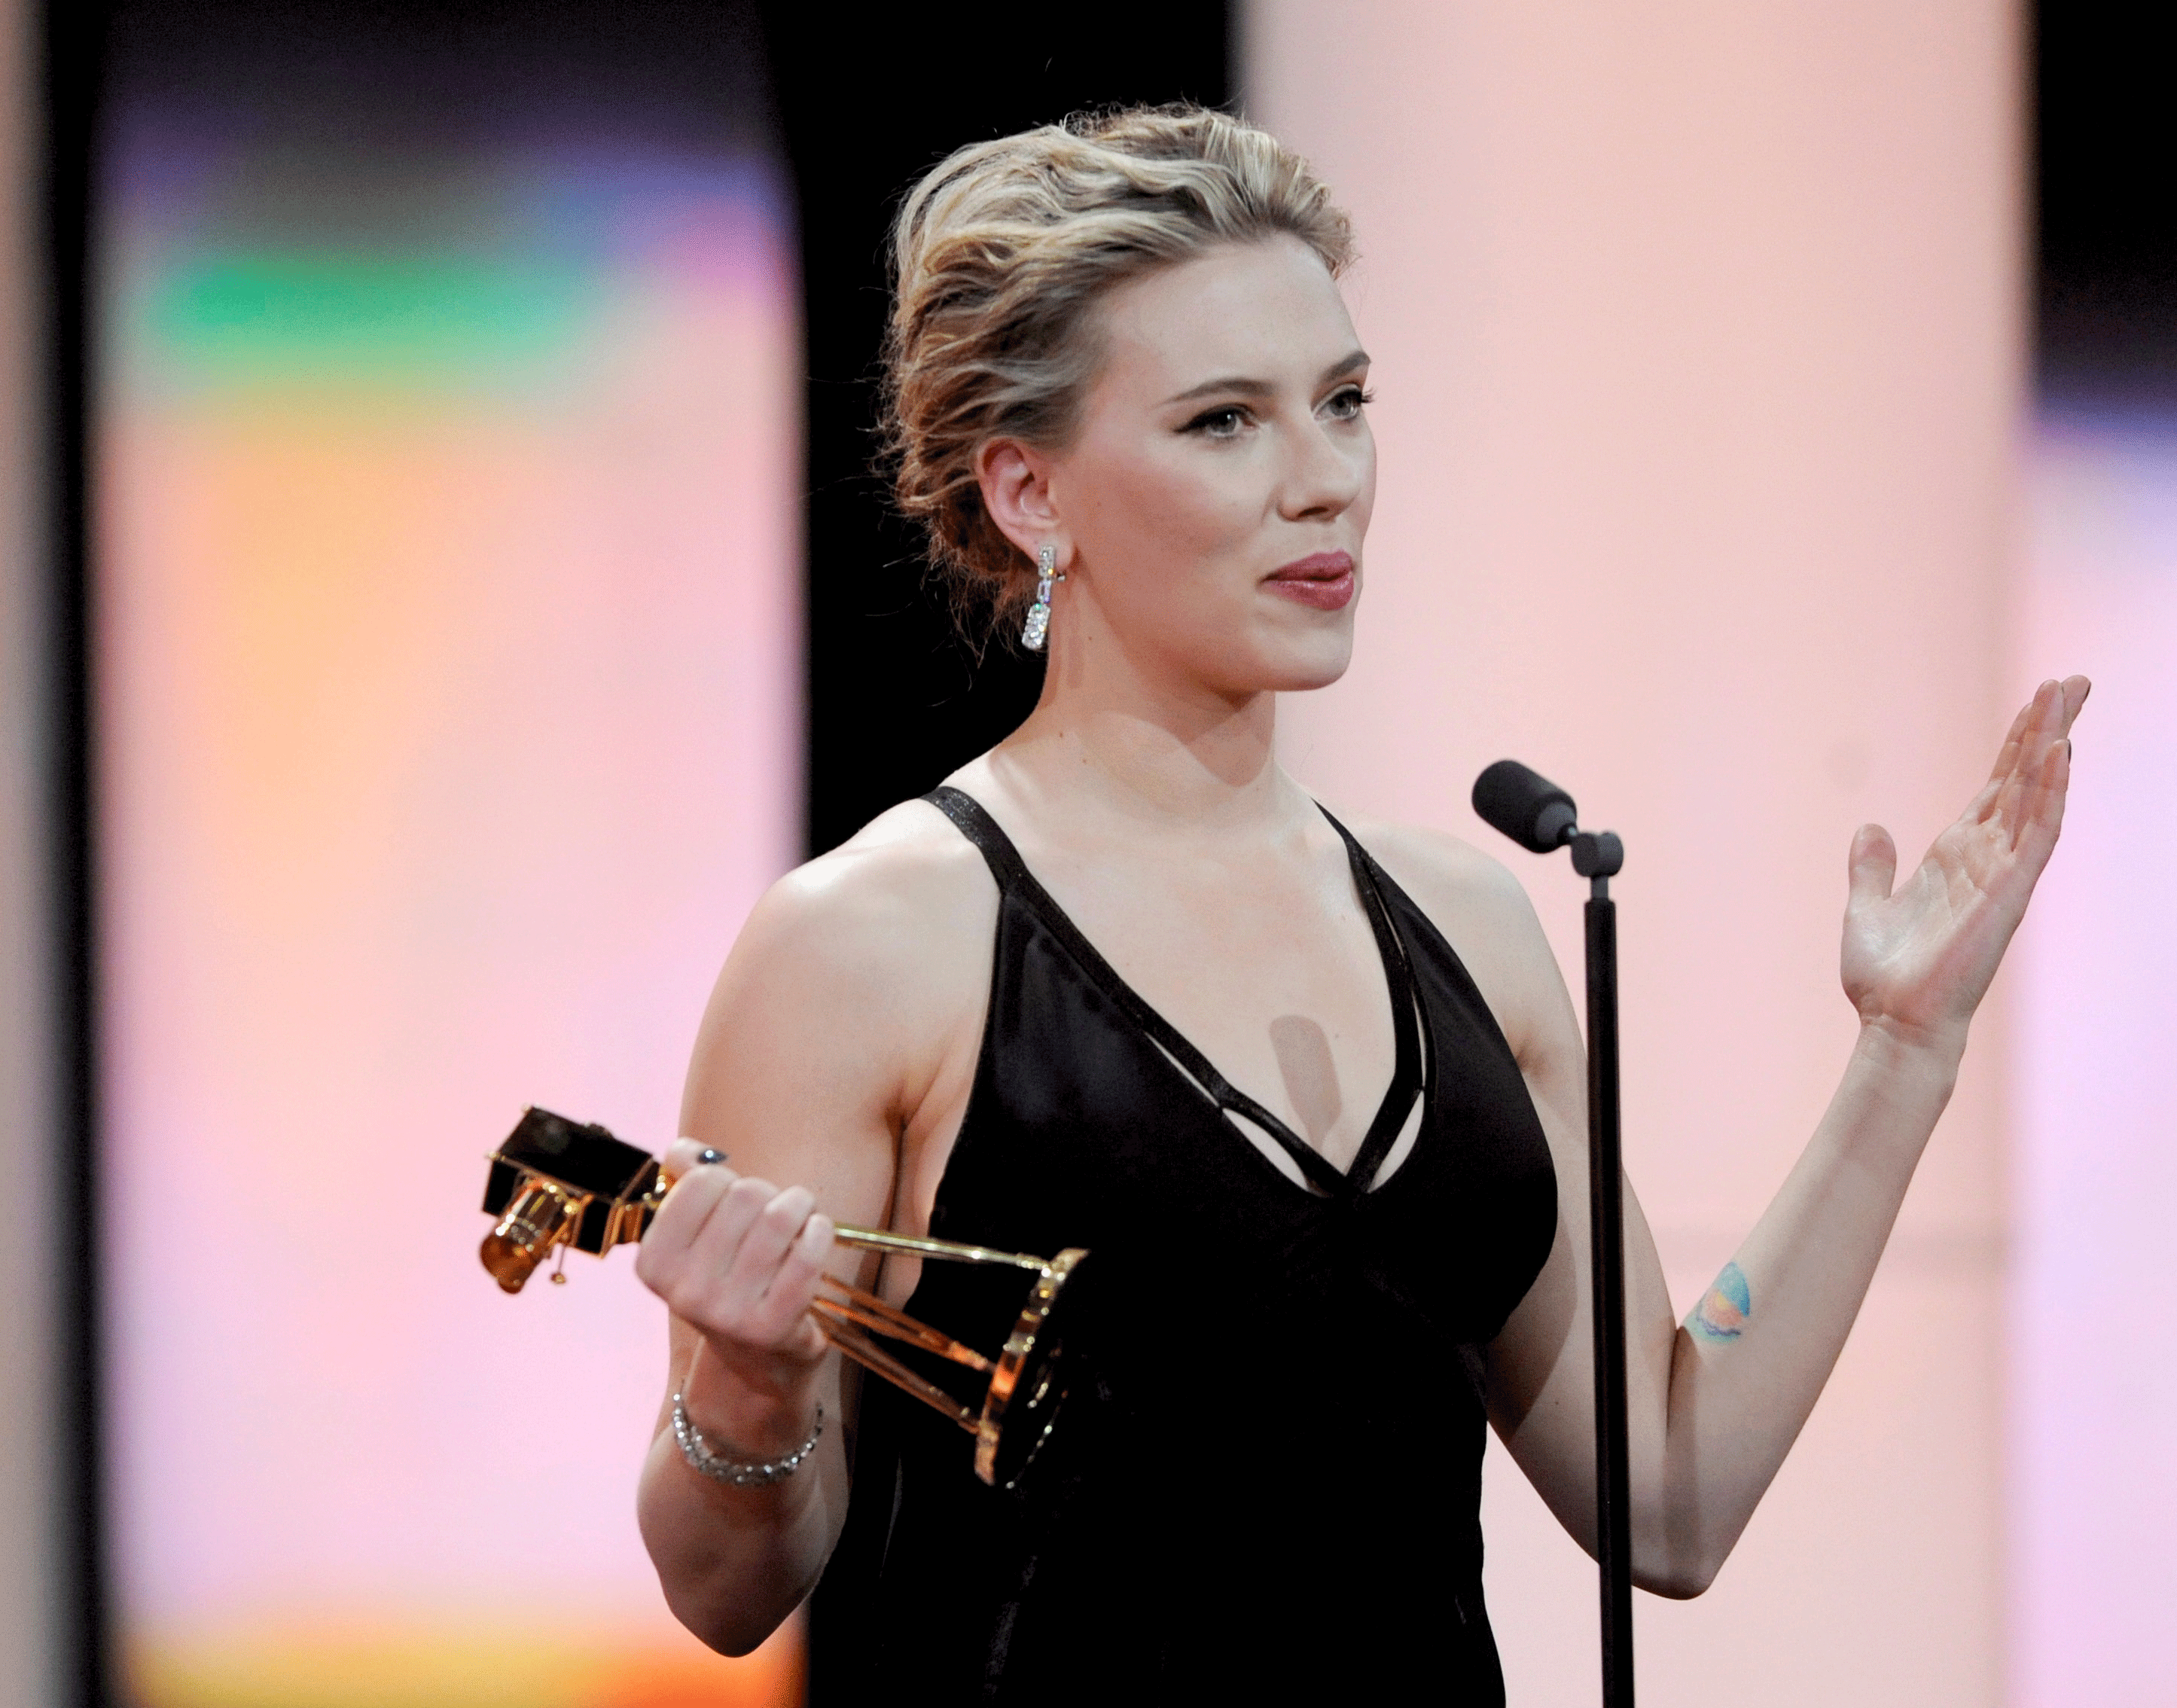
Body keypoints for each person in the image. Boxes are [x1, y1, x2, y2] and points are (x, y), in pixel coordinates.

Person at [631, 105, 2086, 1703]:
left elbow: (1667, 1489)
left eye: (1342, 403)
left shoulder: (1468, 924)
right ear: (1029, 494)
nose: (1322, 483)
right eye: (1221, 424)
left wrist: (1903, 1052)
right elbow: (724, 1590)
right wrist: (749, 1397)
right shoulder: (869, 943)